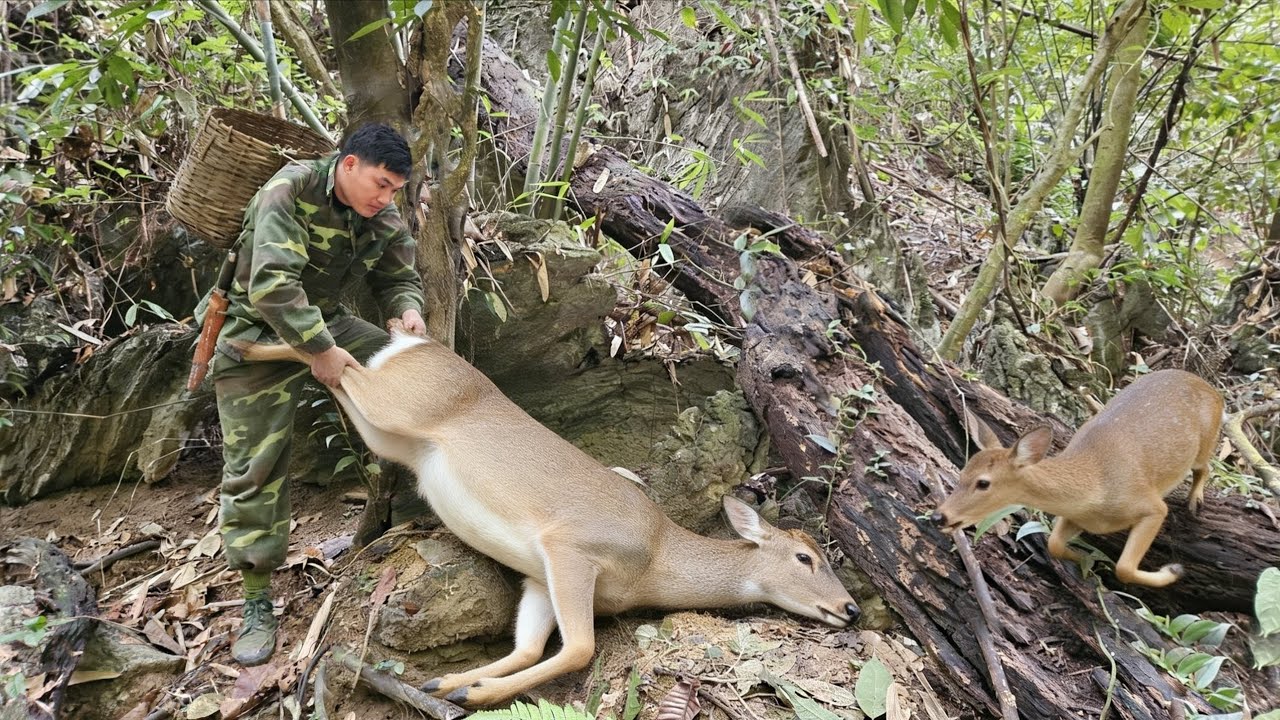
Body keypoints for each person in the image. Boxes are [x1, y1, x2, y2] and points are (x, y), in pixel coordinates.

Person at [195, 123, 426, 666]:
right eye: (381, 183)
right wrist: (320, 350)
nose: (386, 196)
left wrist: (407, 309)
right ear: (348, 165)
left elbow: (398, 276)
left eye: (395, 188)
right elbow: (272, 286)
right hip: (256, 337)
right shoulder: (290, 190)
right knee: (256, 465)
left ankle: (425, 510)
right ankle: (256, 599)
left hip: (325, 326)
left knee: (418, 380)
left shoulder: (379, 211)